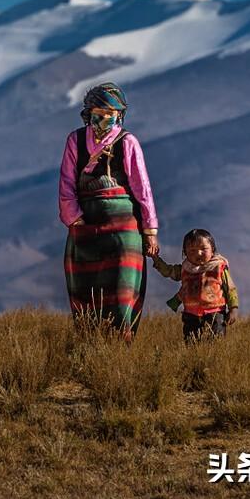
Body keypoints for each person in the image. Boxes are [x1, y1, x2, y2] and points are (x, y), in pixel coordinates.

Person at [59, 82, 160, 340]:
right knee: (85, 292)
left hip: (123, 232)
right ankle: (89, 346)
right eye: (97, 114)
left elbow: (142, 188)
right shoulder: (75, 141)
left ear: (119, 115)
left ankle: (118, 350)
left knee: (121, 292)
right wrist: (76, 221)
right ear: (87, 113)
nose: (102, 119)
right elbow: (67, 184)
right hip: (84, 229)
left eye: (109, 114)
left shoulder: (128, 142)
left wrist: (149, 231)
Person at [151, 228, 239, 342]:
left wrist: (233, 309)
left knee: (216, 342)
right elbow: (168, 271)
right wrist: (155, 258)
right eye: (192, 250)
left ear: (212, 249)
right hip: (191, 315)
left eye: (203, 249)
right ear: (185, 252)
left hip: (215, 313)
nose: (198, 253)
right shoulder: (185, 268)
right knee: (191, 343)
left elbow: (230, 289)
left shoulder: (218, 267)